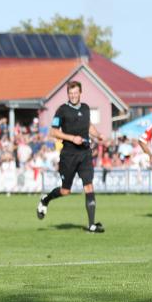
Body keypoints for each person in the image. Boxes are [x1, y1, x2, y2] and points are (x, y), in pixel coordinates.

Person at [36, 81, 105, 232]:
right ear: (68, 94)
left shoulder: (86, 108)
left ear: (80, 93)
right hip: (69, 155)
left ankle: (91, 225)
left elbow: (89, 126)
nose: (73, 96)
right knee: (65, 191)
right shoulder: (62, 110)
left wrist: (98, 135)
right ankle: (45, 199)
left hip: (85, 154)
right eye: (71, 93)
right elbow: (53, 132)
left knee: (89, 186)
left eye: (76, 93)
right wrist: (72, 138)